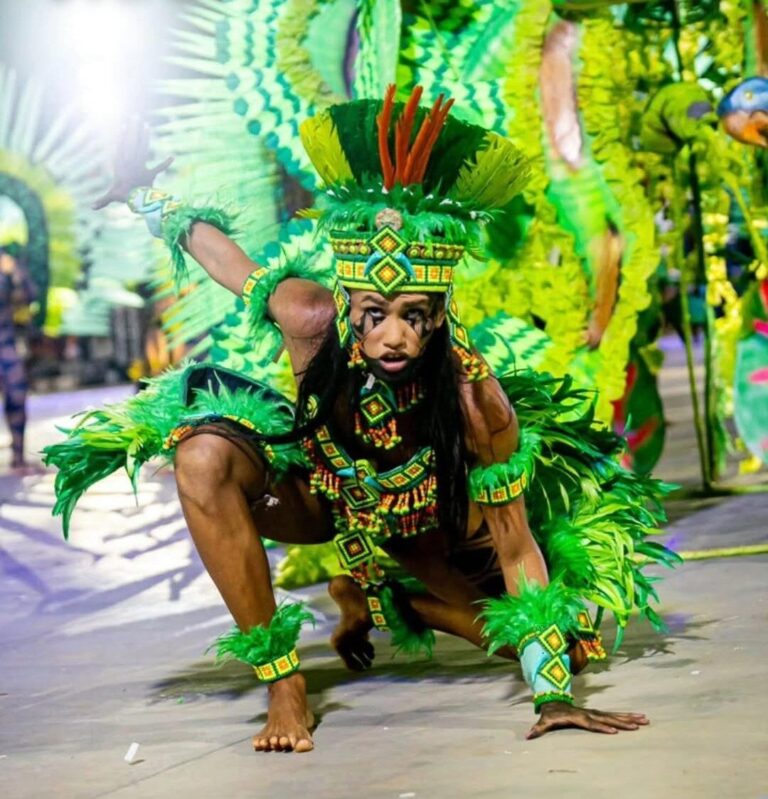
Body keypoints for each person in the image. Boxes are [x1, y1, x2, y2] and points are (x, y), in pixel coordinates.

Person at [44, 88, 678, 753]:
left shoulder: (476, 402)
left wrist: (552, 697)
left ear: (439, 314)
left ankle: (388, 599)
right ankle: (284, 685)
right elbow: (223, 256)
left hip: (427, 525)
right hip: (322, 495)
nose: (395, 336)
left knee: (562, 649)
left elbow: (517, 547)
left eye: (415, 316)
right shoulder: (310, 318)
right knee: (200, 457)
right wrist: (141, 194)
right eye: (375, 314)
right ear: (349, 305)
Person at [0, 242, 37, 472]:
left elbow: (29, 296)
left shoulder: (5, 260)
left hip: (4, 340)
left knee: (17, 395)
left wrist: (14, 274)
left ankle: (18, 457)